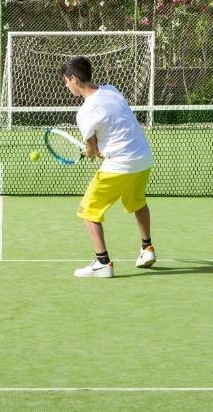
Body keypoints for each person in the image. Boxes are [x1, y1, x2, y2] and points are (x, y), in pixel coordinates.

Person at [62, 56, 155, 278]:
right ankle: (147, 249)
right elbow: (117, 123)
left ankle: (102, 263)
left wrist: (92, 151)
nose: (67, 86)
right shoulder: (112, 89)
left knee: (88, 211)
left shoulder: (84, 112)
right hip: (143, 158)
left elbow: (93, 151)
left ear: (74, 79)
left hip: (120, 163)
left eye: (66, 81)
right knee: (137, 202)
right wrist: (99, 149)